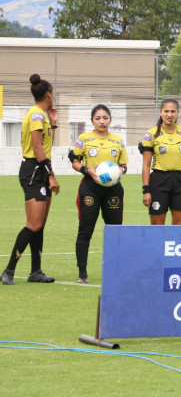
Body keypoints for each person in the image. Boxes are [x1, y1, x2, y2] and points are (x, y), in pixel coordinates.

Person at [2, 74, 59, 285]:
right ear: (48, 94)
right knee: (34, 224)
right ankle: (8, 271)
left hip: (41, 168)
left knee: (40, 224)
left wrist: (53, 125)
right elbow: (37, 148)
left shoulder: (42, 115)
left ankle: (36, 271)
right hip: (34, 170)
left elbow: (45, 145)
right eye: (52, 93)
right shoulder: (36, 114)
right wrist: (51, 175)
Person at [70, 104, 128, 283]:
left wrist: (121, 171)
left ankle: (114, 272)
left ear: (110, 119)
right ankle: (82, 273)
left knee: (115, 231)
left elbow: (124, 165)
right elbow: (75, 162)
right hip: (90, 188)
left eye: (105, 118)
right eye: (98, 118)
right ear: (92, 121)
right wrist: (87, 170)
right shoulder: (83, 139)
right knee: (85, 230)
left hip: (113, 189)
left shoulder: (118, 141)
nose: (102, 121)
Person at [140, 98, 181, 225]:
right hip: (159, 181)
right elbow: (146, 165)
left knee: (179, 227)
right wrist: (146, 190)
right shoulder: (151, 134)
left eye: (173, 111)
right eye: (166, 111)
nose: (169, 114)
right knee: (157, 226)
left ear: (177, 113)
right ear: (160, 112)